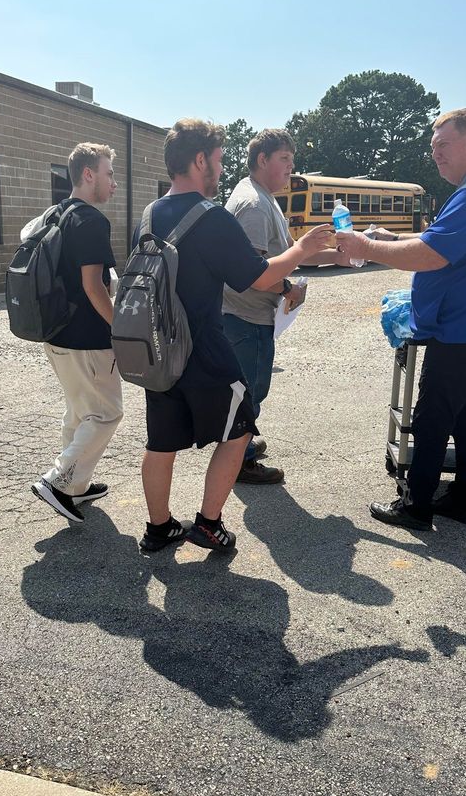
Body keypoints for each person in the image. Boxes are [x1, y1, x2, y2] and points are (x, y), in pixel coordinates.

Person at [138, 119, 331, 553]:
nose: (222, 170)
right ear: (200, 159)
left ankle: (159, 528)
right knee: (240, 428)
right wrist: (303, 250)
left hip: (158, 349)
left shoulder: (149, 215)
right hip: (204, 347)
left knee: (161, 442)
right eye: (219, 160)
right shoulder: (213, 218)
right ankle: (208, 524)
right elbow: (258, 279)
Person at [334, 108, 466, 531]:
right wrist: (391, 238)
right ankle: (463, 499)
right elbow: (440, 240)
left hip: (463, 330)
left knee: (432, 418)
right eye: (432, 147)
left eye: (443, 145)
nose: (435, 154)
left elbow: (432, 255)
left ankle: (416, 506)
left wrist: (366, 245)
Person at [223, 129, 353, 484]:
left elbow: (287, 255)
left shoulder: (263, 197)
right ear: (262, 159)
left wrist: (334, 258)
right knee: (248, 392)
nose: (290, 170)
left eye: (292, 162)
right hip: (244, 318)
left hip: (251, 316)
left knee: (249, 390)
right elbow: (253, 273)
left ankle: (242, 447)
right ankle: (239, 461)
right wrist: (288, 290)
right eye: (284, 160)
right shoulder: (254, 206)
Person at [31, 143, 123, 522]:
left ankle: (77, 487)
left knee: (79, 412)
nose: (113, 183)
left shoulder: (54, 214)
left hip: (56, 334)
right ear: (89, 174)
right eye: (109, 173)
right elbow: (93, 286)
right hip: (87, 339)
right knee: (106, 414)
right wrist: (121, 328)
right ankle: (58, 481)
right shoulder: (90, 220)